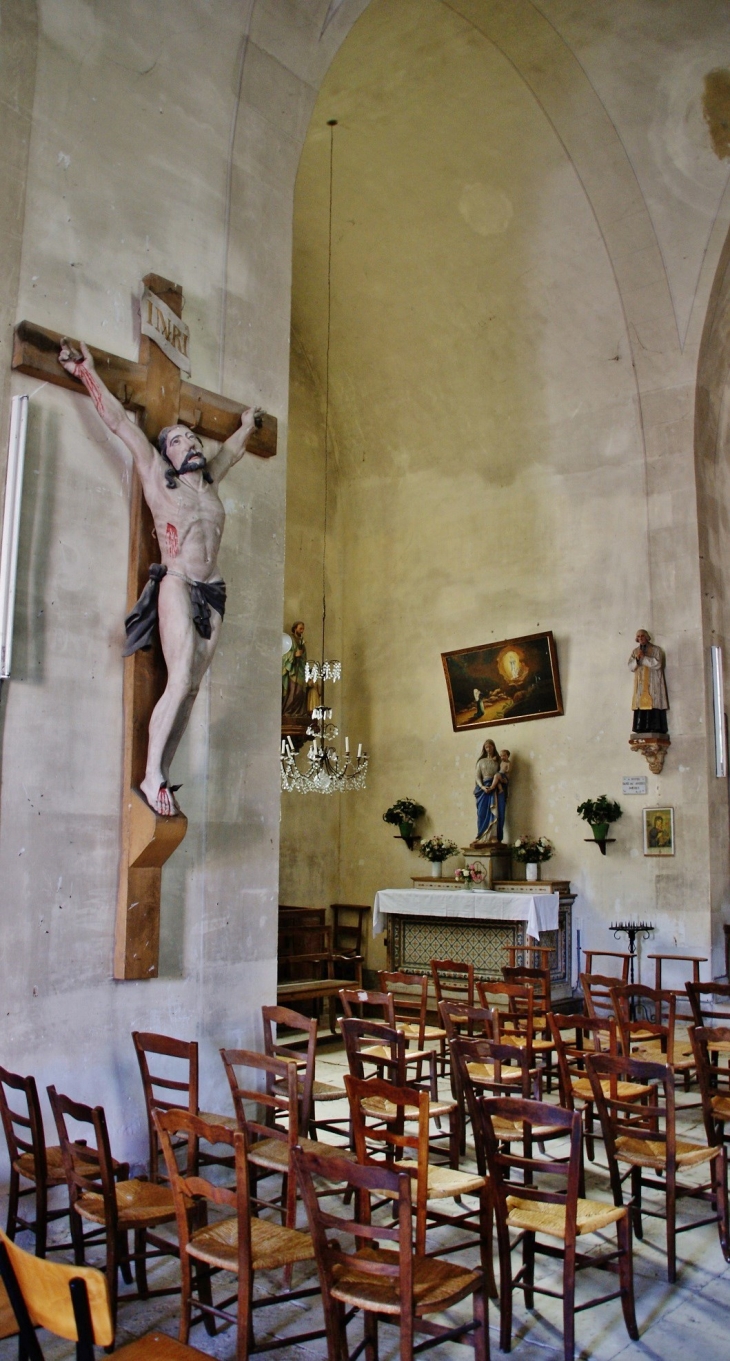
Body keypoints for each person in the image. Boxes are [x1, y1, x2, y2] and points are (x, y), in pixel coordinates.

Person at [58, 338, 260, 817]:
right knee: (181, 672)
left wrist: (248, 425)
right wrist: (87, 373)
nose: (188, 444)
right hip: (177, 581)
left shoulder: (210, 479)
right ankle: (150, 775)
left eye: (191, 439)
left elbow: (231, 450)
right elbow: (119, 423)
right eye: (178, 441)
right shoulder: (154, 474)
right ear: (164, 453)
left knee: (191, 687)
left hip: (213, 590)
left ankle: (163, 774)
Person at [629, 629, 669, 734]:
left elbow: (658, 664)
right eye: (638, 636)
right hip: (641, 684)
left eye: (642, 636)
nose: (640, 638)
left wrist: (644, 658)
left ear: (647, 637)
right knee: (640, 703)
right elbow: (631, 666)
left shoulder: (656, 650)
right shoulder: (635, 652)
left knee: (654, 703)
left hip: (653, 682)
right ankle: (640, 727)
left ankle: (655, 727)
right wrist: (637, 660)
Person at [472, 738, 509, 845]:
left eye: (490, 746)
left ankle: (493, 836)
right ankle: (481, 836)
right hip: (483, 790)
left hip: (494, 790)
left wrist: (501, 781)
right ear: (484, 748)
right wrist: (482, 787)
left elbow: (503, 775)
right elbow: (477, 776)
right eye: (486, 747)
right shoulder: (481, 762)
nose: (488, 749)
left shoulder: (498, 762)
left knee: (495, 812)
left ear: (494, 747)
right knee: (481, 813)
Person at [282, 621, 309, 718]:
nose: (302, 631)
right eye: (300, 628)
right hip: (292, 670)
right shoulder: (290, 640)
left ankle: (299, 713)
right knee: (295, 691)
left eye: (303, 629)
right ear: (295, 628)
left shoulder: (301, 641)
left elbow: (304, 656)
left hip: (301, 669)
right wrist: (294, 655)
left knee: (301, 692)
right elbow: (284, 655)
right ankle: (288, 711)